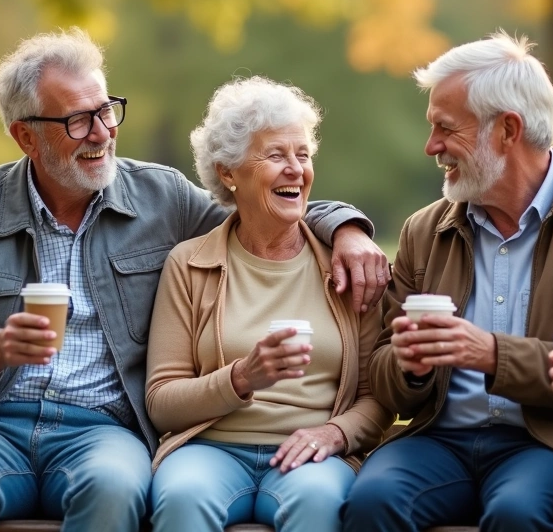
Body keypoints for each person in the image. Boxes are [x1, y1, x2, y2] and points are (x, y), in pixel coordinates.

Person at [0, 29, 389, 532]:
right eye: (77, 120)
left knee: (114, 487)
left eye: (105, 110)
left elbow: (262, 211)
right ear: (25, 136)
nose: (102, 132)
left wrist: (346, 228)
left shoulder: (162, 198)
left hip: (101, 429)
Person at [342, 31, 553, 532]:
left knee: (518, 513)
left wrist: (491, 354)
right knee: (372, 499)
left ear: (507, 130)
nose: (431, 147)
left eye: (445, 129)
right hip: (440, 441)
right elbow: (383, 374)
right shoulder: (426, 230)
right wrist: (409, 366)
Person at [144, 77, 393, 532]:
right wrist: (242, 377)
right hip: (210, 449)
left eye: (303, 155)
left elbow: (377, 394)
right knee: (181, 498)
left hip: (312, 456)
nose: (296, 169)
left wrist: (334, 434)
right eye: (276, 155)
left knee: (318, 503)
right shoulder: (189, 264)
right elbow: (162, 401)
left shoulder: (348, 264)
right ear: (227, 172)